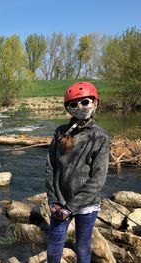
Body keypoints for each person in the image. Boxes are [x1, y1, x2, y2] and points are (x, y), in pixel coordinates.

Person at [45, 82, 110, 263]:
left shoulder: (100, 137)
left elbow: (98, 178)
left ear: (95, 103)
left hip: (86, 204)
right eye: (74, 104)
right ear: (68, 109)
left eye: (84, 102)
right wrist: (53, 201)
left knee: (82, 248)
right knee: (53, 249)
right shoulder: (60, 132)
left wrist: (71, 207)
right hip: (60, 202)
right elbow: (51, 166)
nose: (79, 107)